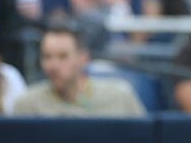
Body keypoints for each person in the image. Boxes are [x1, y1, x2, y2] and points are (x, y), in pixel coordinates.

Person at [12, 24, 143, 117]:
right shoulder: (27, 105)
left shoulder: (119, 97)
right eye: (47, 56)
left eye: (63, 56)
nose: (53, 65)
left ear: (83, 58)